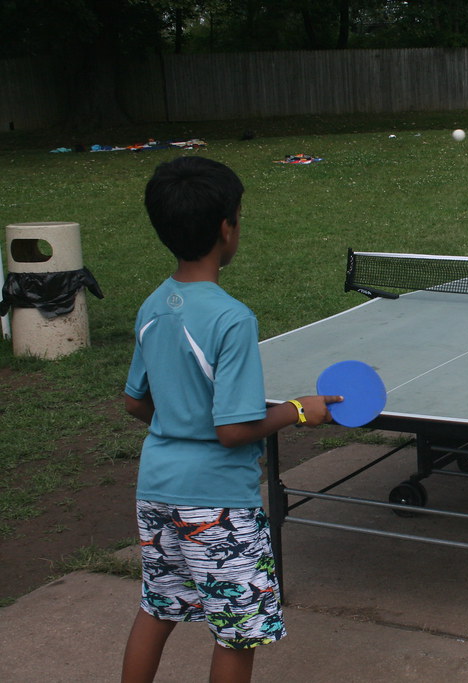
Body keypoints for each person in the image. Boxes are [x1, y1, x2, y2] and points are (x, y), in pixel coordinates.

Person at [121, 156, 342, 682]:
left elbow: (135, 402)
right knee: (238, 631)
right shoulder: (232, 318)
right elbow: (233, 431)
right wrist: (297, 412)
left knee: (159, 607)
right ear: (227, 228)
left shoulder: (153, 306)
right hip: (217, 503)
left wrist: (181, 417)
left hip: (156, 490)